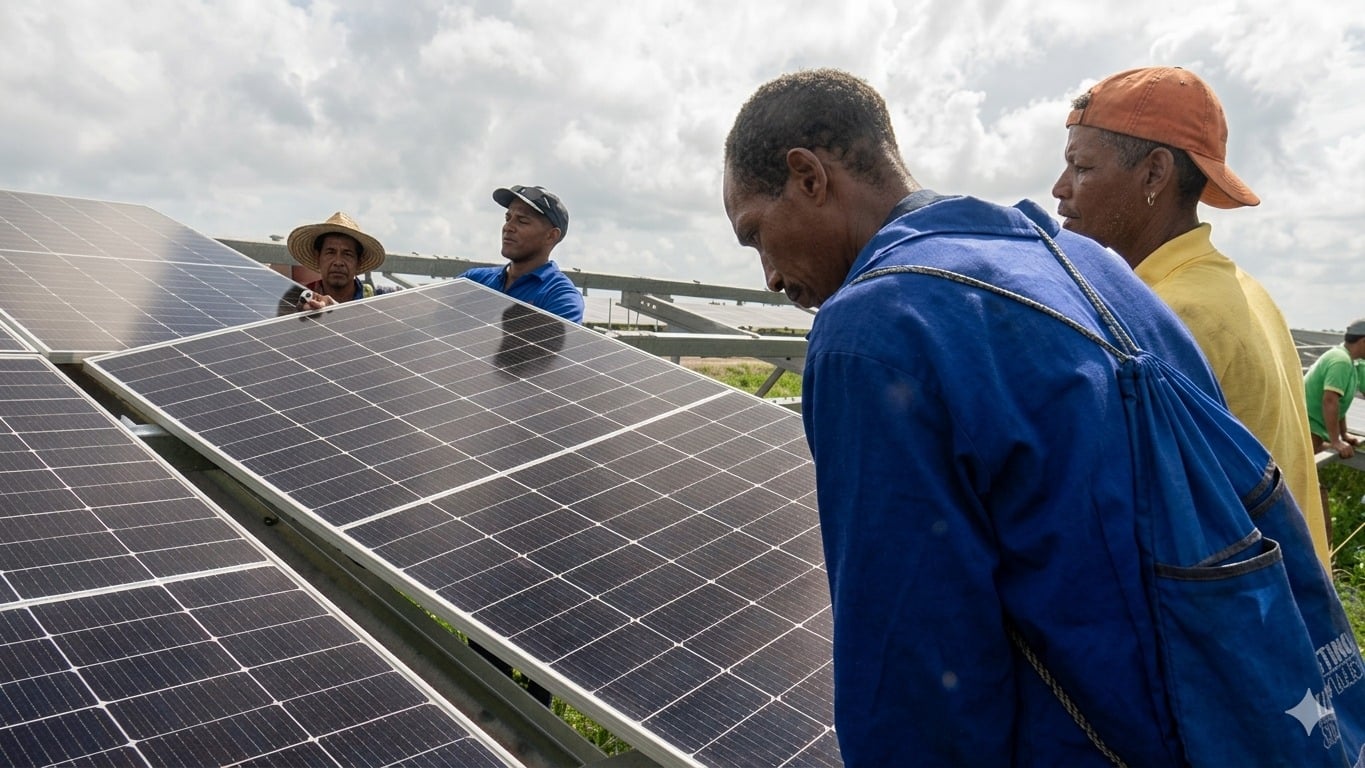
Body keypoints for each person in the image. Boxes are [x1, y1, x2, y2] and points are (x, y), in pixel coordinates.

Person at [723, 68, 1258, 766]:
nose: (769, 275)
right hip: (1228, 722)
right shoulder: (1092, 271)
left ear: (808, 177)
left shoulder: (875, 330)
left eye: (756, 234)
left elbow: (912, 669)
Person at [1051, 66, 1331, 567]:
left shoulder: (1166, 317)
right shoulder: (1238, 288)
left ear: (1154, 173)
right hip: (1289, 598)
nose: (1059, 188)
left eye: (1082, 167)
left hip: (1242, 609)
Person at [461, 185, 585, 323]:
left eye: (522, 221)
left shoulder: (560, 298)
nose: (508, 227)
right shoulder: (473, 280)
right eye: (508, 218)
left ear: (551, 236)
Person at [286, 211, 397, 308]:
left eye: (347, 254)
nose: (338, 262)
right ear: (317, 257)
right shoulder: (297, 300)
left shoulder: (382, 301)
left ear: (359, 261)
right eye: (330, 252)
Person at [1305, 320, 1365, 458]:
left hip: (1314, 427)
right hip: (1307, 425)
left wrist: (1343, 434)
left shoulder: (1348, 359)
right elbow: (1330, 401)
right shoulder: (1341, 361)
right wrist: (1336, 441)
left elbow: (1339, 403)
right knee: (1302, 464)